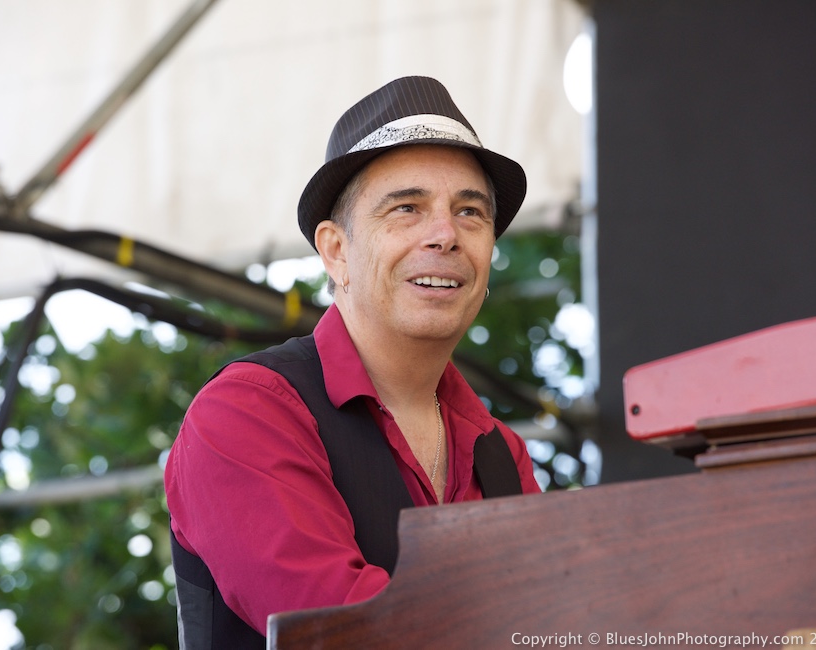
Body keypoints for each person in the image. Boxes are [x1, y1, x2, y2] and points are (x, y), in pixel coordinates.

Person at [164, 75, 541, 649]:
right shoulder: (246, 412)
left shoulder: (503, 454)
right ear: (336, 251)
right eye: (407, 208)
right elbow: (346, 632)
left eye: (470, 213)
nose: (445, 234)